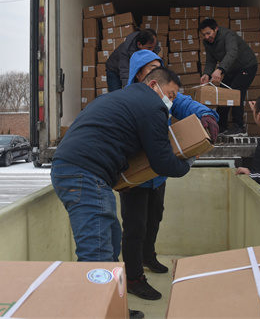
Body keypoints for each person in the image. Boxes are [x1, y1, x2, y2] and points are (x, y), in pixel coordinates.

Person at [51, 67, 194, 319]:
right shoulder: (152, 106)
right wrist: (187, 162)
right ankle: (97, 313)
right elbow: (161, 161)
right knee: (97, 253)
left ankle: (114, 310)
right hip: (85, 173)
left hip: (81, 171)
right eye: (170, 94)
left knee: (110, 240)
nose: (170, 102)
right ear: (153, 85)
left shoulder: (120, 97)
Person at [120, 50, 219, 301]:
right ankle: (133, 278)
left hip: (158, 174)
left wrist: (207, 117)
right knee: (135, 226)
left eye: (159, 66)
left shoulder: (166, 95)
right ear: (139, 73)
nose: (156, 70)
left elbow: (187, 104)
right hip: (134, 175)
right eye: (150, 67)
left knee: (154, 217)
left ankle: (147, 255)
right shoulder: (127, 99)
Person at [199, 18, 257, 136]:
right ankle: (221, 127)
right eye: (203, 34)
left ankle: (239, 127)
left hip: (246, 66)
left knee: (235, 93)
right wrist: (207, 74)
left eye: (208, 33)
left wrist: (220, 69)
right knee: (223, 94)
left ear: (216, 29)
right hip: (231, 69)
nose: (206, 37)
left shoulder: (227, 35)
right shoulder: (207, 42)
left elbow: (232, 53)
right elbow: (211, 60)